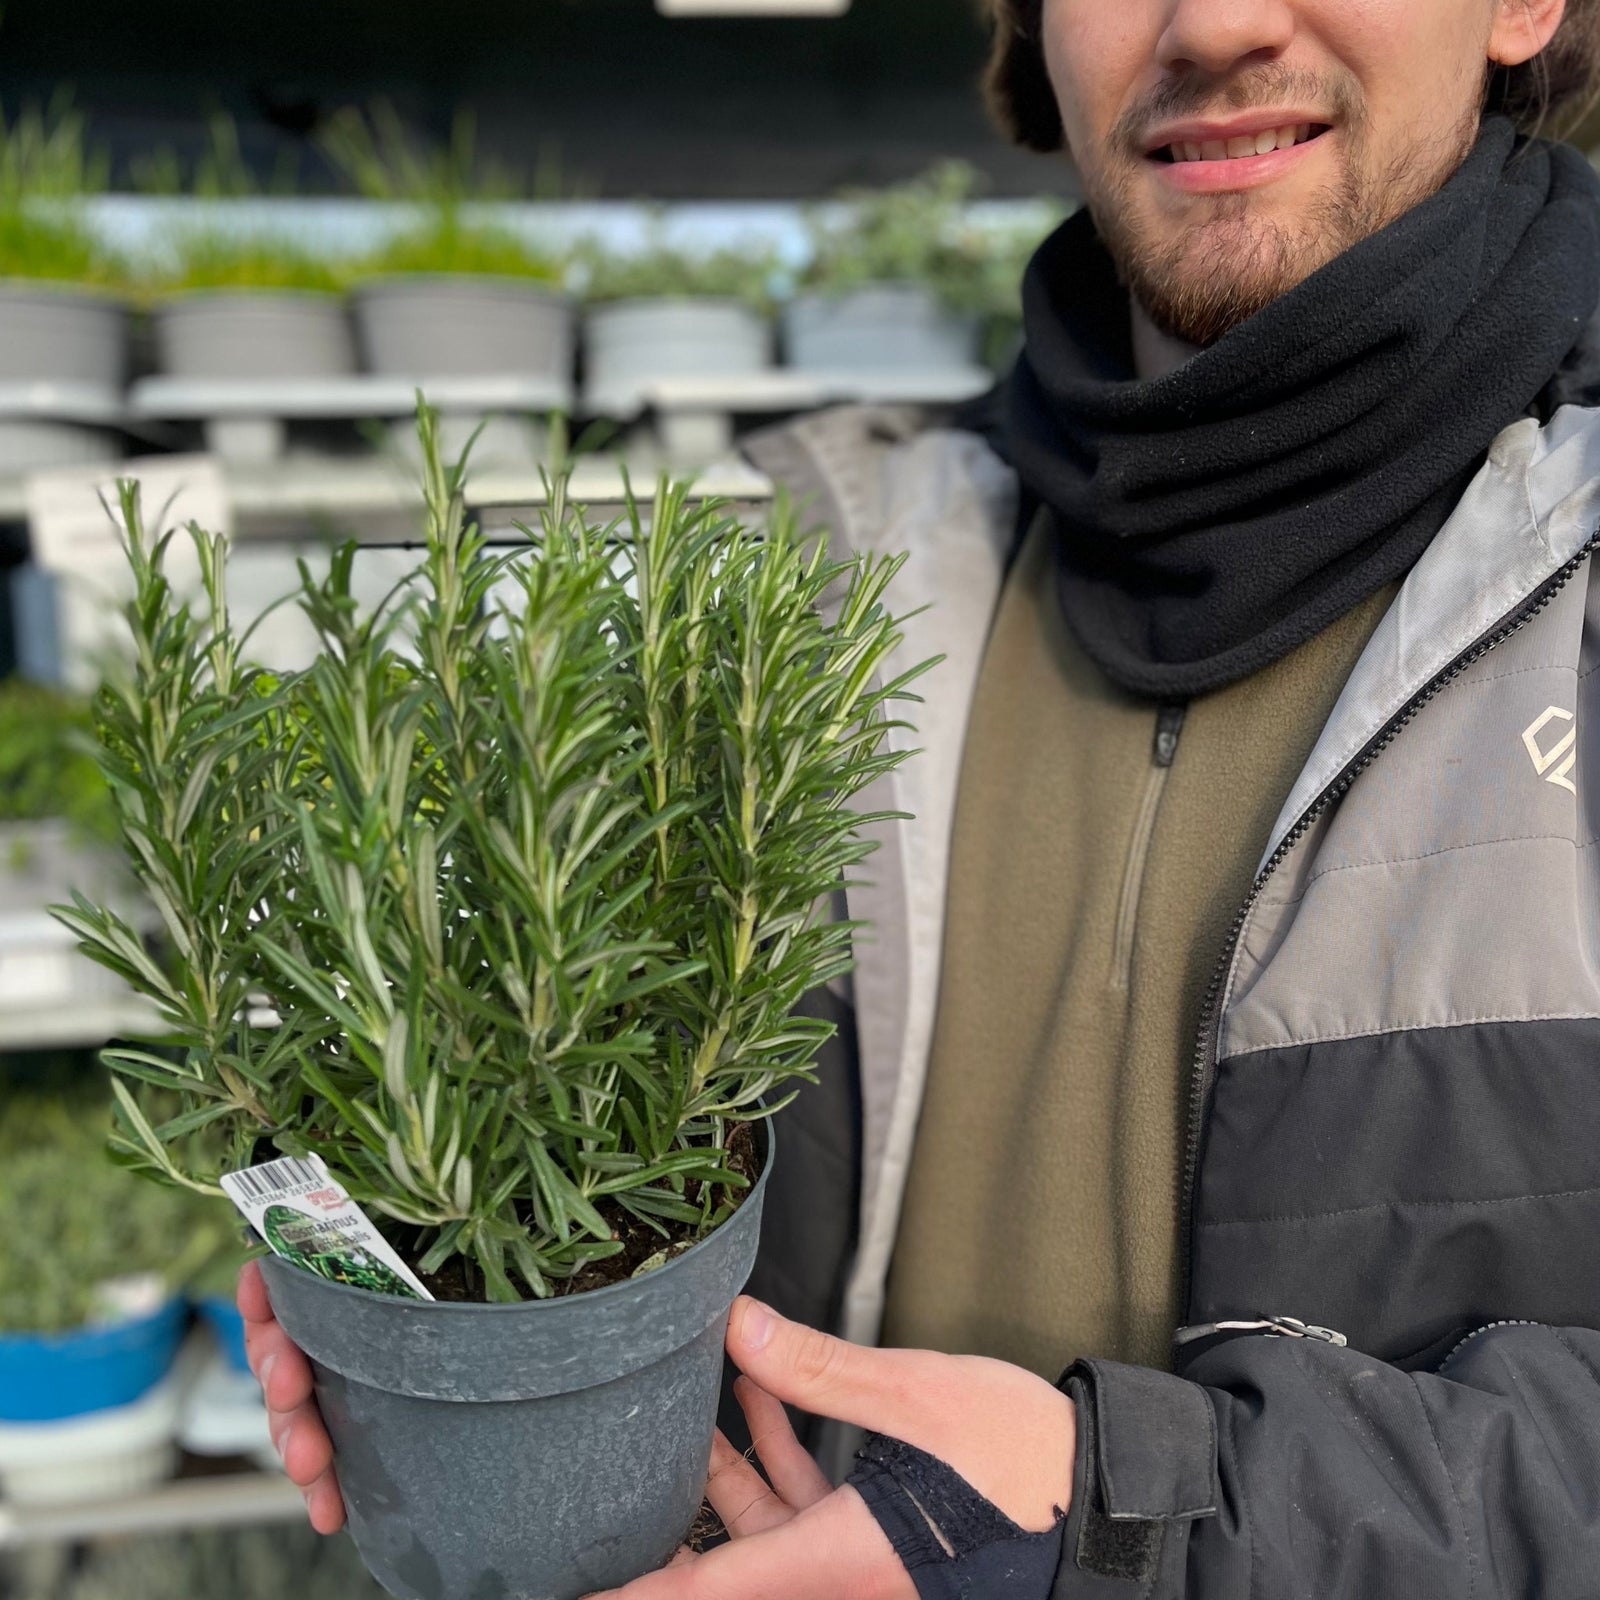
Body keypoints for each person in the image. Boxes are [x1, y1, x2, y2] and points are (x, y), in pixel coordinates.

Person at [240, 1, 1600, 1594]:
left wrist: (1138, 1519)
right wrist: (448, 1292)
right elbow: (625, 1159)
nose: (1220, 19)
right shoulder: (826, 584)